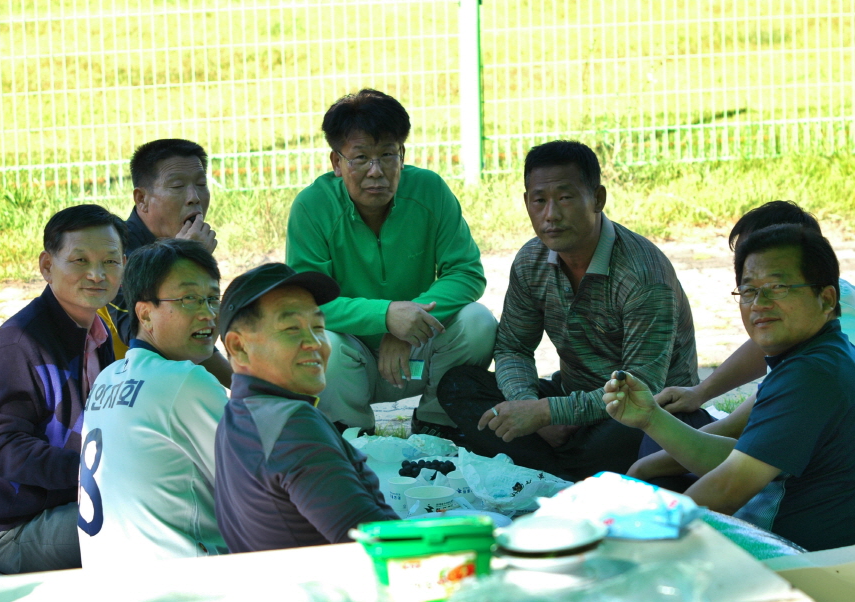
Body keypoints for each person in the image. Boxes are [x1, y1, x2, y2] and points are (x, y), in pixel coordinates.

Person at [438, 140, 705, 482]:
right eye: (539, 201)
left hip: (647, 411)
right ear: (526, 203)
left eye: (565, 198)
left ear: (598, 199)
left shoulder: (643, 273)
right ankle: (574, 472)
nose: (551, 214)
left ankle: (552, 470)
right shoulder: (531, 261)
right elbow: (513, 347)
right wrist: (527, 407)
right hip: (570, 401)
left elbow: (644, 386)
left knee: (626, 435)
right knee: (458, 386)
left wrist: (547, 413)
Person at [604, 224, 855, 551]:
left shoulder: (810, 375)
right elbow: (739, 458)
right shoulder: (825, 355)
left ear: (826, 298)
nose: (759, 303)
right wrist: (651, 417)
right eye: (748, 290)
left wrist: (628, 542)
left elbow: (726, 489)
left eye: (778, 287)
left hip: (794, 558)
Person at [286, 89, 496, 439]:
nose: (376, 171)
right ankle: (350, 436)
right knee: (324, 345)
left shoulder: (430, 190)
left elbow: (466, 272)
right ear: (336, 162)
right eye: (360, 158)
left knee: (478, 322)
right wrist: (386, 317)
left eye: (387, 155)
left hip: (416, 352)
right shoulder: (312, 207)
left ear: (403, 155)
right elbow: (307, 303)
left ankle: (437, 423)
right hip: (352, 358)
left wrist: (410, 323)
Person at [633, 201, 855, 487]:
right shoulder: (807, 329)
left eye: (775, 284)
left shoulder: (813, 369)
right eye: (749, 283)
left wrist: (643, 466)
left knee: (663, 452)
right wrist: (699, 392)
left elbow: (730, 470)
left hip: (789, 494)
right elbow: (759, 351)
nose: (759, 302)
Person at [0, 204, 126, 573]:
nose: (97, 274)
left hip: (80, 500)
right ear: (46, 266)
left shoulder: (99, 333)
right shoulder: (17, 345)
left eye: (110, 261)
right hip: (19, 530)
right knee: (144, 522)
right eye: (80, 260)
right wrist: (94, 472)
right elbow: (3, 447)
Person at [214, 263, 398, 552]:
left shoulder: (236, 415)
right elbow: (379, 545)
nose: (315, 343)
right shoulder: (292, 424)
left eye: (318, 327)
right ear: (239, 347)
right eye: (291, 329)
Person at [77, 239, 228, 565]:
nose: (208, 314)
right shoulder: (185, 381)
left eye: (213, 298)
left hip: (105, 577)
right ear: (145, 314)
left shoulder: (107, 377)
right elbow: (260, 485)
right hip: (180, 583)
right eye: (189, 299)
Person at [102, 138, 231, 387]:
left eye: (201, 184)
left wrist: (246, 389)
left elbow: (196, 332)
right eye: (178, 186)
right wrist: (181, 260)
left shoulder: (179, 243)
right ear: (141, 199)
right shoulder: (116, 255)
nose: (194, 197)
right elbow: (143, 335)